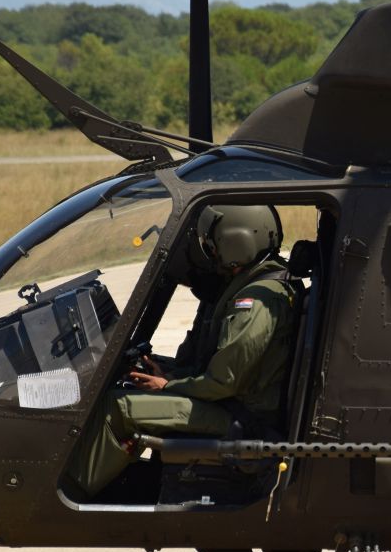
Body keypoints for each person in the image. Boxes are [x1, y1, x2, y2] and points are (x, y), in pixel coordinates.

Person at [68, 204, 297, 498]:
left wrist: (167, 386)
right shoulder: (261, 285)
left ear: (235, 241)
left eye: (213, 245)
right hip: (234, 406)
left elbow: (223, 382)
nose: (210, 253)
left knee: (119, 407)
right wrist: (172, 375)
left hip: (243, 418)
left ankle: (69, 494)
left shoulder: (255, 302)